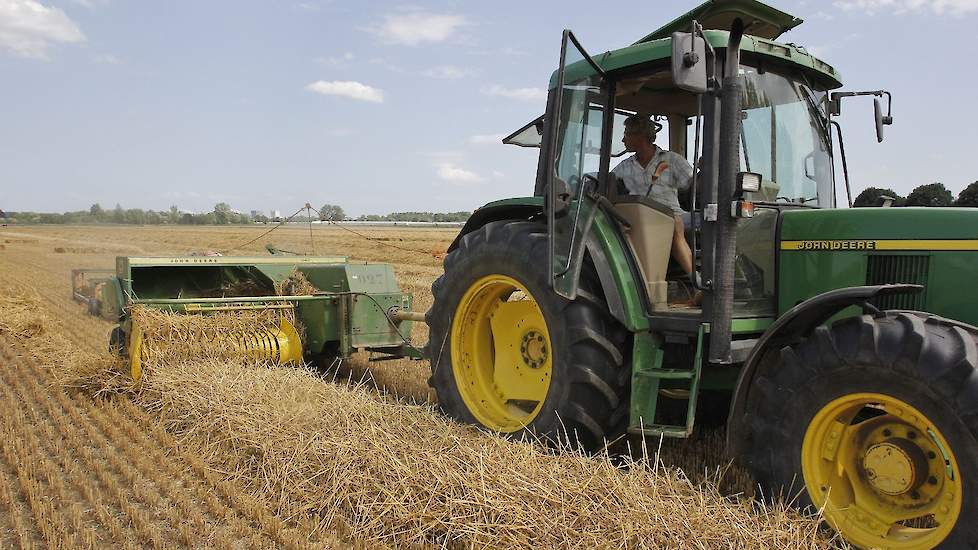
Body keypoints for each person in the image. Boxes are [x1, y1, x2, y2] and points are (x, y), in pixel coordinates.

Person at [611, 114, 695, 277]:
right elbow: (609, 185)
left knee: (674, 222)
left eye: (627, 134)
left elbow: (692, 184)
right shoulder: (625, 166)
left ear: (640, 137)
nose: (623, 140)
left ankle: (697, 282)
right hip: (638, 217)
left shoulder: (672, 160)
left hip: (668, 213)